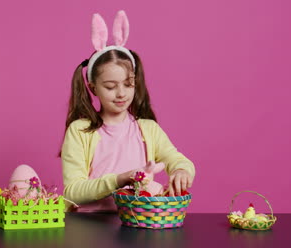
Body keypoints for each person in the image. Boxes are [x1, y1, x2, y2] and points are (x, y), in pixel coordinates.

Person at [61, 10, 195, 212]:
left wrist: (182, 170)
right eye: (110, 86)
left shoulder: (147, 129)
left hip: (138, 221)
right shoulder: (80, 131)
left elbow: (176, 159)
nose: (121, 93)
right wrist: (120, 179)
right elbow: (72, 191)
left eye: (128, 84)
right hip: (90, 225)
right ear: (93, 87)